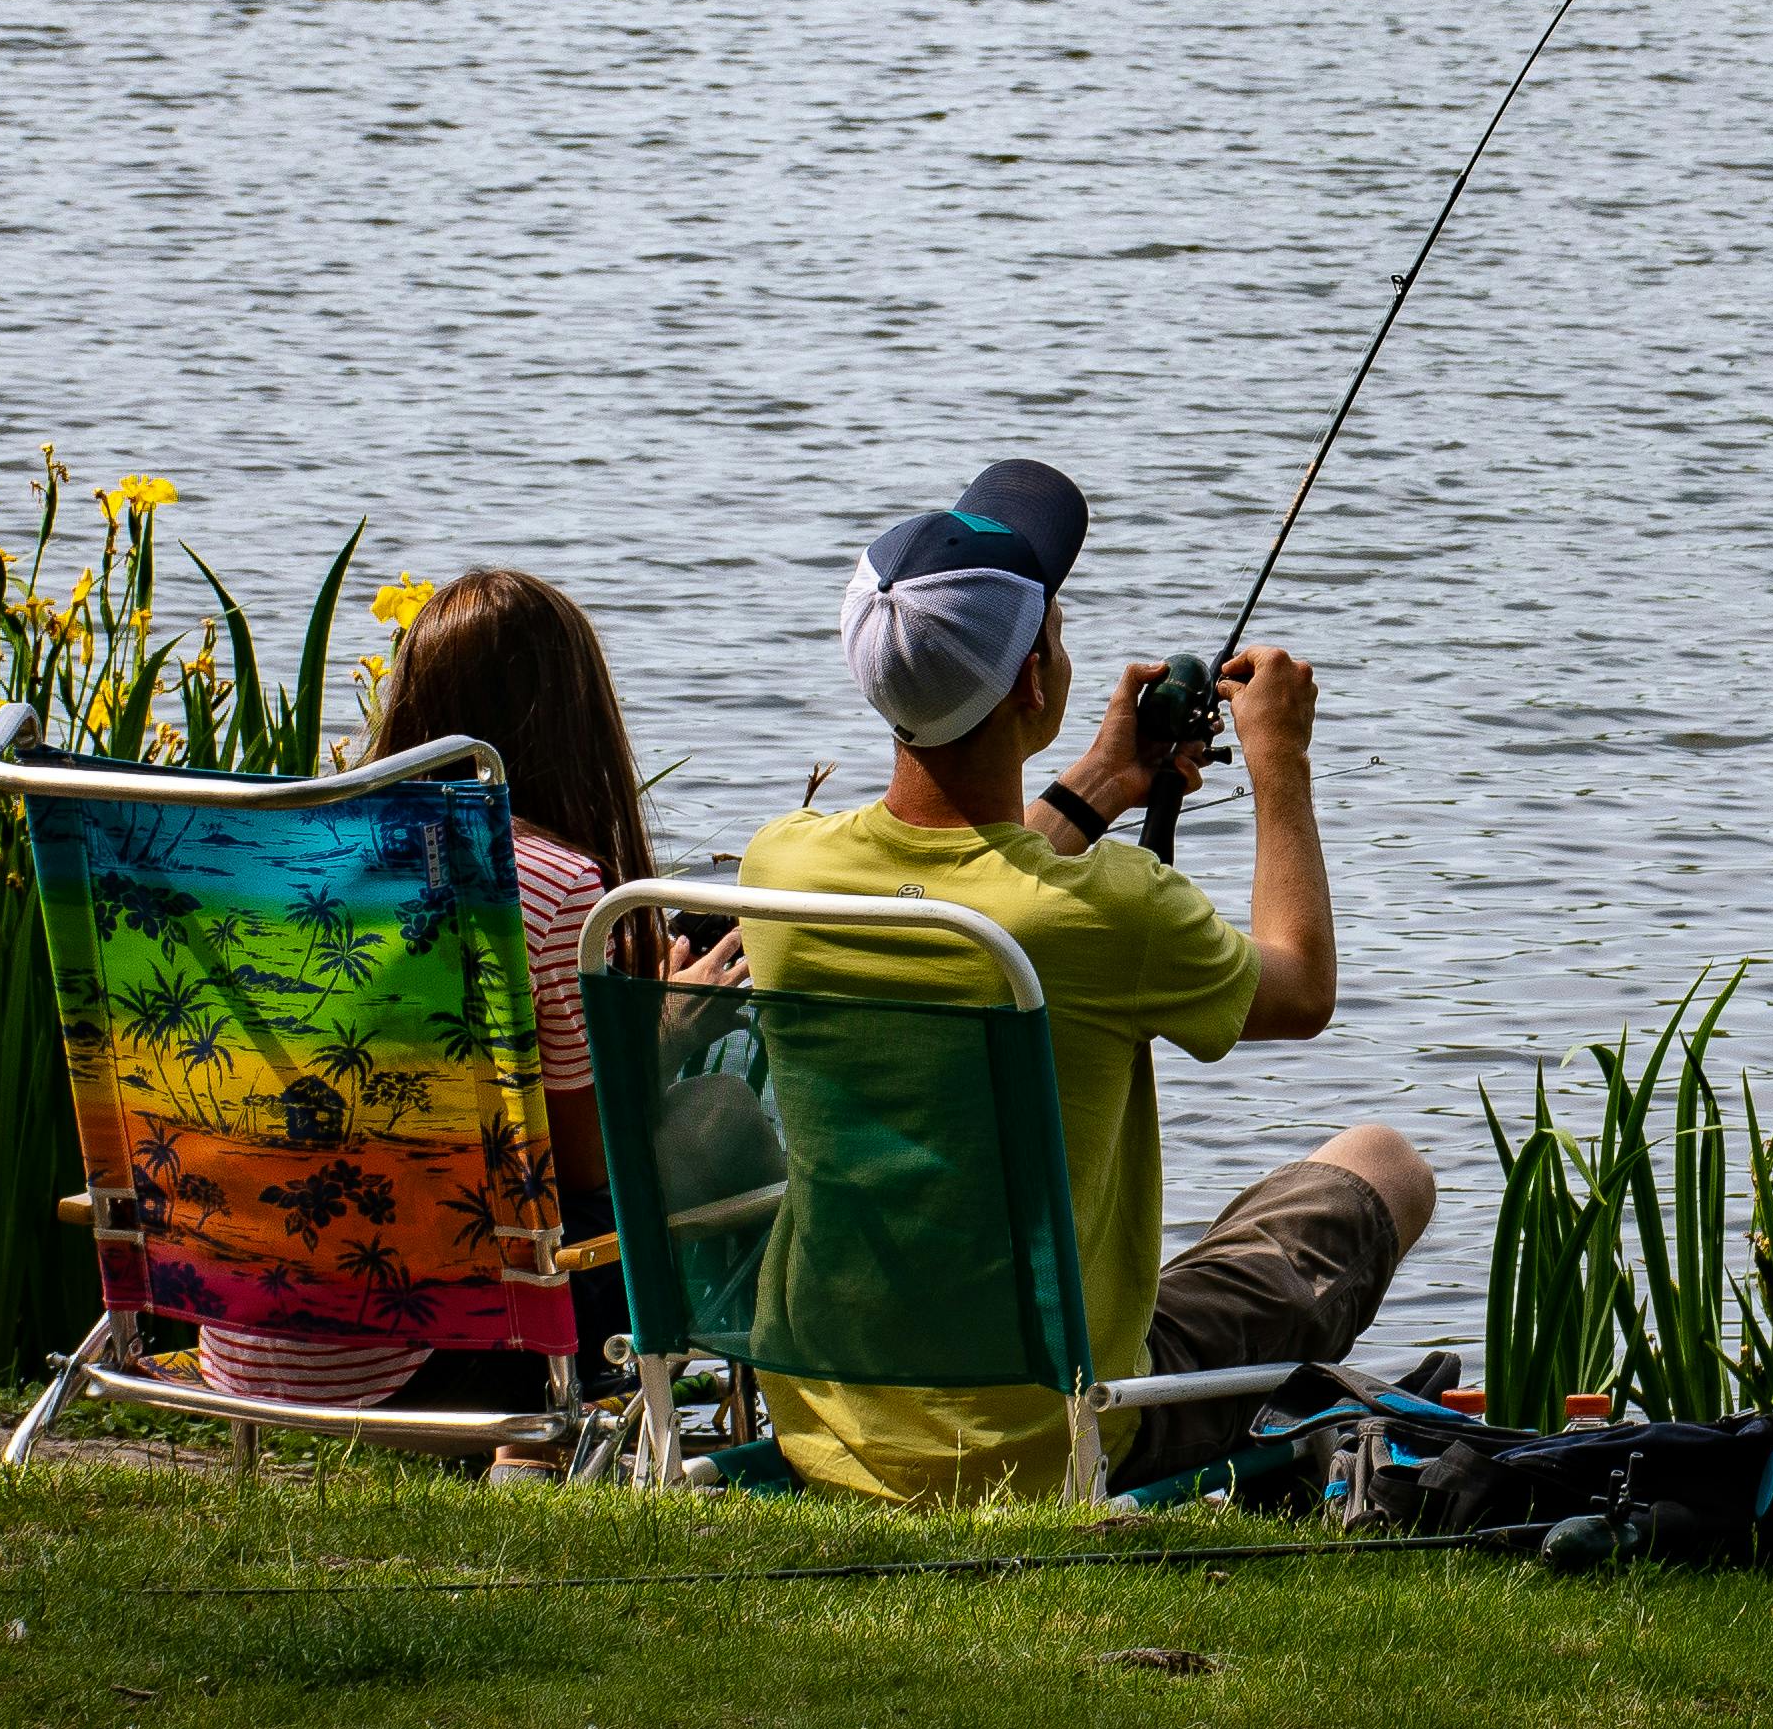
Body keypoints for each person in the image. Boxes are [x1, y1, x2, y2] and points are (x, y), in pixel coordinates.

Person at [735, 458, 1435, 1504]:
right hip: (1055, 1433)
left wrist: (1104, 781)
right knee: (1383, 1164)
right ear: (1032, 686)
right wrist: (1280, 759)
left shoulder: (784, 871)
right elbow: (1300, 989)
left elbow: (980, 894)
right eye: (1056, 631)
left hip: (837, 1423)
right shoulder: (1113, 908)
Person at [191, 565, 725, 1417]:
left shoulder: (289, 858)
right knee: (701, 1131)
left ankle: (525, 1448)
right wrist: (663, 1031)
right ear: (578, 721)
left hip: (244, 1328)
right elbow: (588, 1165)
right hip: (430, 1356)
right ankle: (563, 1434)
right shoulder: (551, 886)